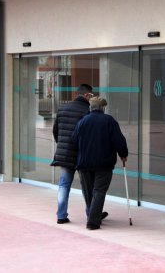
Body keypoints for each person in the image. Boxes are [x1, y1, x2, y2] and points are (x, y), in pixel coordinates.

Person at [51, 84, 108, 224]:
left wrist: (62, 145)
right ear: (87, 95)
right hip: (82, 155)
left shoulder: (62, 108)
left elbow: (55, 131)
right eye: (92, 96)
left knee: (64, 185)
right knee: (87, 187)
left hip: (64, 154)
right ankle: (91, 214)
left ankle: (61, 216)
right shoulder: (86, 111)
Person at [72, 97, 128, 230]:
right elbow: (119, 140)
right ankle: (93, 221)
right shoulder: (109, 120)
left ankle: (93, 215)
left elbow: (74, 139)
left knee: (88, 192)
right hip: (104, 163)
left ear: (90, 108)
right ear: (103, 108)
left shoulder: (82, 121)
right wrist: (123, 154)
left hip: (84, 163)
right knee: (99, 191)